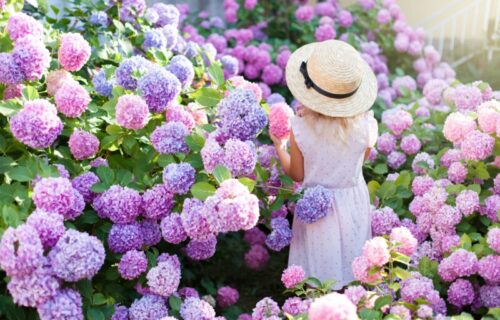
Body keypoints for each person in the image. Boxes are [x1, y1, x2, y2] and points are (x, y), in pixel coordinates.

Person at [270, 40, 379, 290]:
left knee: (317, 275)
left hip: (317, 211)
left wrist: (279, 147)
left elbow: (296, 173)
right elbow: (359, 164)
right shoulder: (366, 128)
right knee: (353, 271)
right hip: (353, 205)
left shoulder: (301, 128)